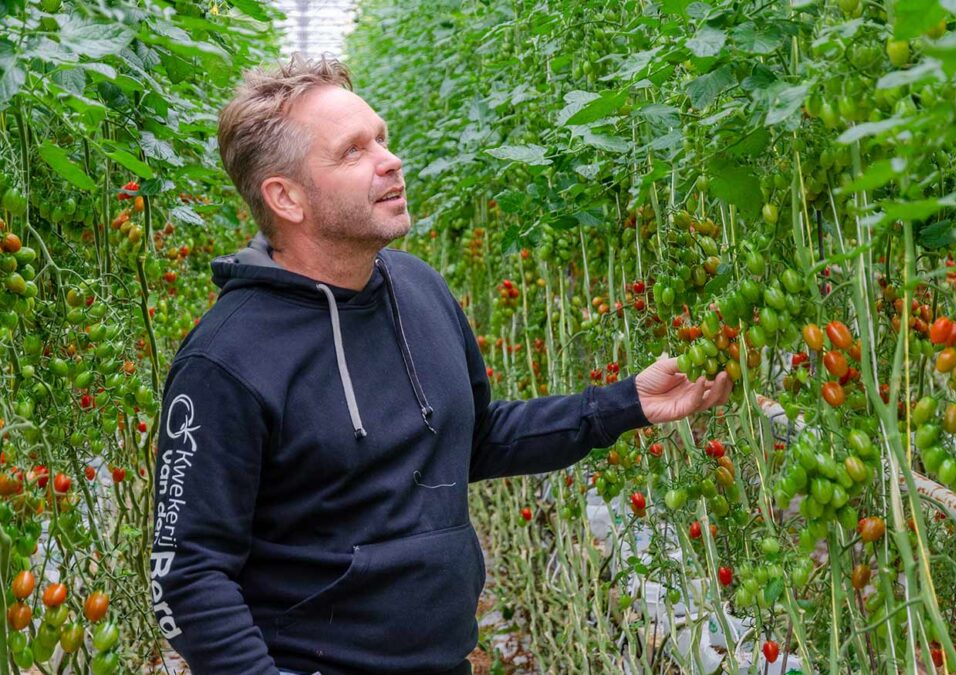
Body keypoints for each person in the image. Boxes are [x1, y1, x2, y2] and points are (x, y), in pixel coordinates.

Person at [149, 54, 733, 675]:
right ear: (285, 197)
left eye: (382, 138)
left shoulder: (420, 290)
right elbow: (186, 576)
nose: (390, 160)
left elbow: (476, 439)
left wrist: (627, 404)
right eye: (353, 151)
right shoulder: (226, 360)